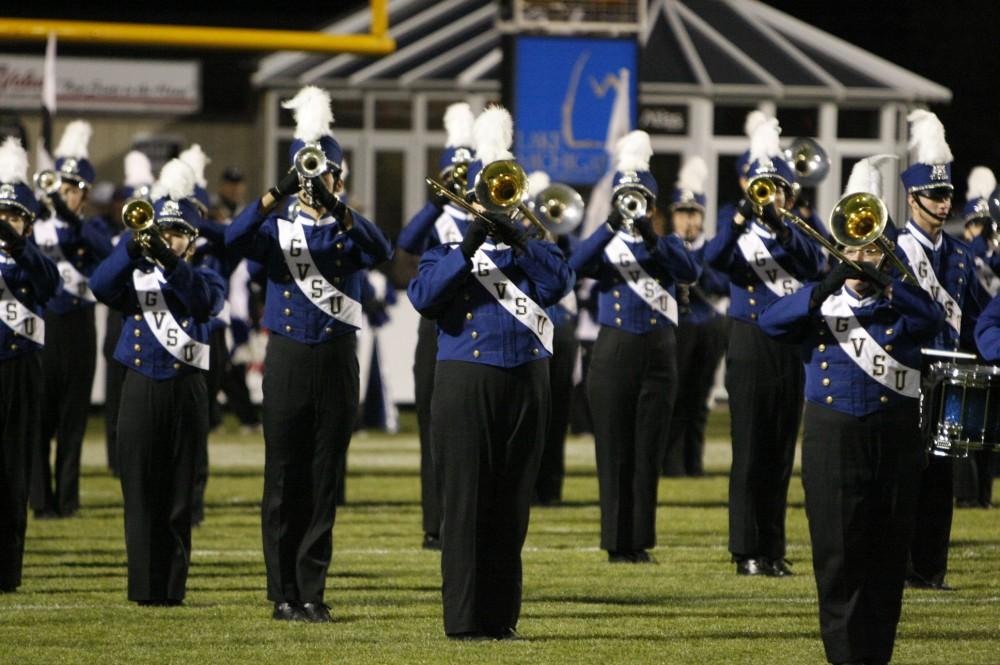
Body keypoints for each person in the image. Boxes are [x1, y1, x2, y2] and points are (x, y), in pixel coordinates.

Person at [760, 156, 944, 665]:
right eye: (852, 245)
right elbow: (771, 322)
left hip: (894, 439)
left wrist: (890, 281)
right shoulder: (821, 306)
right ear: (838, 249)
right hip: (832, 440)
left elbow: (932, 322)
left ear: (884, 251)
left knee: (887, 557)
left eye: (870, 245)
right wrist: (826, 284)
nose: (860, 255)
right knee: (838, 555)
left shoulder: (898, 304)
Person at [225, 86, 392, 623]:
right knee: (283, 475)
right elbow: (232, 238)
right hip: (290, 357)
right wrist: (276, 192)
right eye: (310, 173)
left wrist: (339, 208)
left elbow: (383, 250)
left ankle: (313, 591)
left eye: (324, 173)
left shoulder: (347, 230)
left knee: (324, 478)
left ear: (338, 178)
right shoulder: (277, 228)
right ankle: (281, 592)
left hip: (338, 357)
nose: (317, 182)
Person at [408, 105, 574, 639]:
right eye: (494, 194)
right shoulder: (446, 250)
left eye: (508, 193)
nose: (502, 201)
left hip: (527, 381)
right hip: (465, 382)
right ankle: (463, 619)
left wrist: (522, 237)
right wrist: (475, 240)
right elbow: (426, 297)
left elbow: (560, 283)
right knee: (464, 504)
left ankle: (501, 619)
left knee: (511, 506)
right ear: (476, 198)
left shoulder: (532, 252)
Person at [91, 158, 225, 606]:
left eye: (178, 232)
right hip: (141, 384)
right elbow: (100, 284)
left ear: (193, 238)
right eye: (164, 232)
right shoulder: (136, 271)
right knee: (140, 488)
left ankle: (172, 588)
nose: (170, 238)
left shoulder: (205, 272)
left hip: (186, 388)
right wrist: (133, 247)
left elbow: (204, 302)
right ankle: (143, 587)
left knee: (179, 493)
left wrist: (168, 258)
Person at [570, 131, 700, 562]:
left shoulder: (665, 244)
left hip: (659, 353)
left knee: (648, 450)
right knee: (613, 448)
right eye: (626, 196)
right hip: (613, 351)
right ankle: (614, 542)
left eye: (640, 197)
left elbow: (687, 270)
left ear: (652, 203)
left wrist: (649, 234)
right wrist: (610, 225)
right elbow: (575, 265)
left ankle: (639, 541)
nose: (632, 203)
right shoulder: (606, 245)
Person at [705, 114, 825, 576]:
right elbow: (711, 260)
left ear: (789, 192)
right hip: (750, 340)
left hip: (789, 344)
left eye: (777, 187)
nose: (770, 195)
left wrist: (781, 223)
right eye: (763, 187)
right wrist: (740, 217)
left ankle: (773, 548)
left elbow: (813, 263)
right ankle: (746, 550)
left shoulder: (795, 232)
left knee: (779, 448)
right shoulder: (737, 233)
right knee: (750, 448)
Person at [893, 111, 989, 590]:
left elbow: (975, 316)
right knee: (907, 475)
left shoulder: (958, 254)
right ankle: (903, 566)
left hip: (949, 375)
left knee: (941, 477)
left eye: (947, 193)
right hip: (906, 373)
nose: (943, 201)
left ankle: (931, 568)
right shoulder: (892, 249)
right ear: (913, 199)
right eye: (935, 194)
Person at [396, 102, 475, 549]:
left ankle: (462, 520)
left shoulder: (488, 212)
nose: (461, 182)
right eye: (453, 175)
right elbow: (405, 243)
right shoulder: (438, 216)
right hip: (437, 328)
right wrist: (436, 201)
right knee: (433, 428)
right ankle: (434, 523)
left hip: (473, 326)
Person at [31, 120, 113, 519]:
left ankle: (67, 499)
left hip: (79, 326)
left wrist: (72, 219)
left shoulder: (91, 227)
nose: (64, 194)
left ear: (84, 193)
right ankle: (40, 500)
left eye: (72, 189)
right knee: (40, 418)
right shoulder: (31, 225)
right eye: (61, 188)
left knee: (73, 419)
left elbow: (104, 252)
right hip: (44, 324)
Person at [0, 137, 61, 593]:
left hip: (20, 370)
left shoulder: (33, 258)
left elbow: (47, 284)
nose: (6, 223)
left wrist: (15, 245)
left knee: (13, 469)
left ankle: (7, 570)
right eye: (1, 215)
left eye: (14, 216)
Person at [662, 156, 730, 477]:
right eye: (681, 213)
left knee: (700, 396)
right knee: (674, 395)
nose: (687, 220)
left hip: (709, 326)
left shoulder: (713, 248)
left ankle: (694, 461)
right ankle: (672, 463)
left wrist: (695, 262)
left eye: (693, 213)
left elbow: (721, 283)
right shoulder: (665, 247)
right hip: (678, 327)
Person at [525, 170, 581, 505]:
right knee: (530, 412)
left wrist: (558, 232)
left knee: (558, 412)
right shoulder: (522, 236)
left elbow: (575, 265)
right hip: (532, 328)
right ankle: (528, 485)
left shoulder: (564, 239)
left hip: (562, 330)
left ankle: (551, 487)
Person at [103, 150, 155, 477]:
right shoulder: (115, 237)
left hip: (149, 316)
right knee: (115, 393)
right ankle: (115, 458)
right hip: (121, 315)